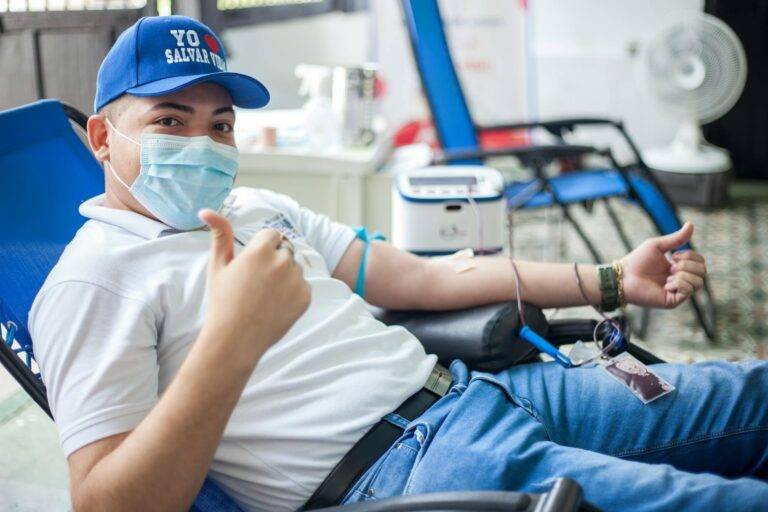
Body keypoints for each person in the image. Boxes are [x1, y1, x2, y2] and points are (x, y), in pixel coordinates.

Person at [28, 15, 767, 512]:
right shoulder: (95, 280)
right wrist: (233, 338)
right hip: (404, 472)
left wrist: (608, 278)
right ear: (101, 138)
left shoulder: (256, 205)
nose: (204, 142)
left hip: (484, 393)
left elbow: (427, 277)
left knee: (751, 394)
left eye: (219, 123)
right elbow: (106, 500)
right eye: (168, 121)